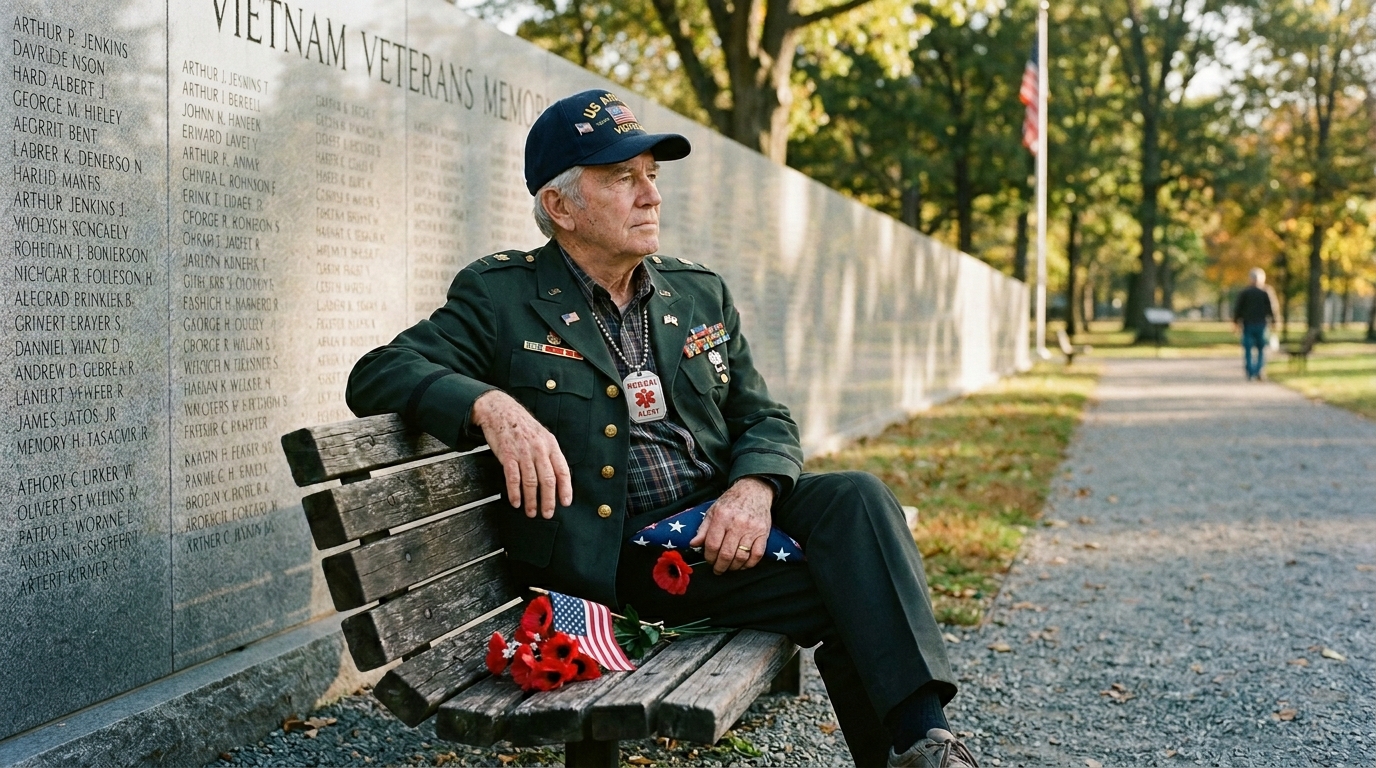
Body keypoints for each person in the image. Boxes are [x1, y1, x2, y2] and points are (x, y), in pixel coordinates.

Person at [346, 90, 977, 768]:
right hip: (620, 564)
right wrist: (491, 408)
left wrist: (754, 490)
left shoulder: (695, 291)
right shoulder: (503, 297)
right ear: (560, 207)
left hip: (720, 534)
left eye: (652, 174)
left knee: (856, 499)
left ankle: (926, 747)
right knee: (853, 590)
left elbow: (762, 415)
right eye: (622, 178)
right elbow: (378, 373)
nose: (650, 194)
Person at [1233, 268, 1279, 380]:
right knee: (1261, 349)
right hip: (1261, 324)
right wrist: (1275, 321)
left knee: (1248, 349)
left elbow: (1238, 309)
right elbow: (1272, 308)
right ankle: (1258, 370)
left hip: (1249, 324)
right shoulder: (1266, 291)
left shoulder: (1245, 292)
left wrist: (1235, 322)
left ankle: (1250, 371)